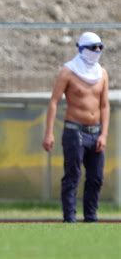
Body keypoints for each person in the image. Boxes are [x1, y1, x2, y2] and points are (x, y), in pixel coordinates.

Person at [43, 32, 109, 223]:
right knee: (73, 175)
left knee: (96, 177)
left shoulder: (102, 73)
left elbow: (104, 105)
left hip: (95, 131)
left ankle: (91, 216)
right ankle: (69, 217)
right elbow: (54, 101)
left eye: (99, 47)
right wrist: (49, 133)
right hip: (75, 130)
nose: (96, 51)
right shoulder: (68, 71)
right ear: (81, 48)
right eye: (92, 47)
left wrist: (104, 134)